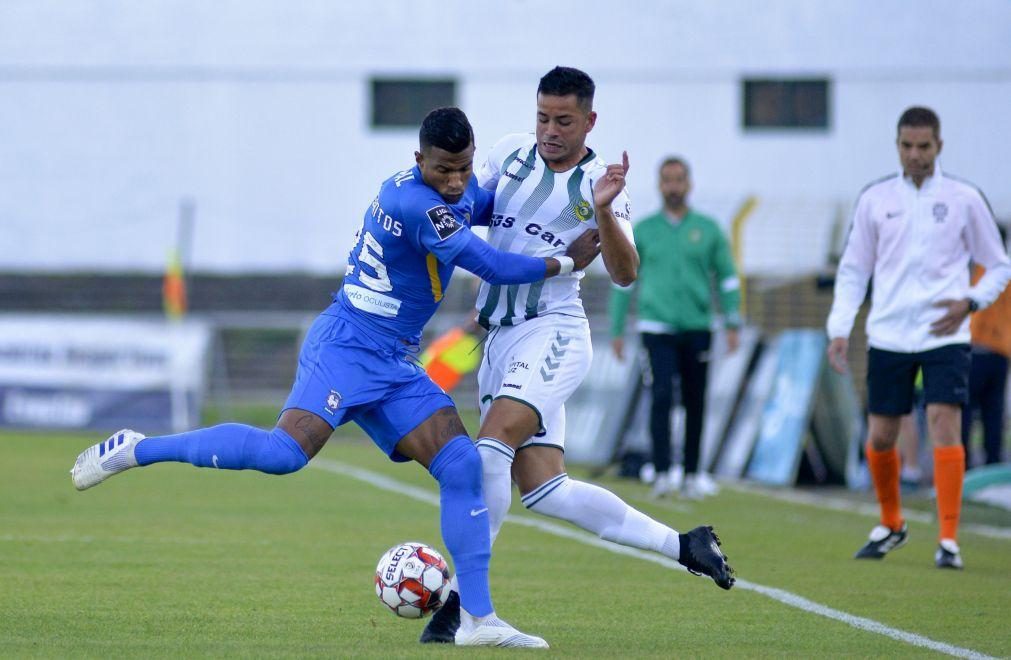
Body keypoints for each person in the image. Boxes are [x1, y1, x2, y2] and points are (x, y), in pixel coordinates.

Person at [69, 107, 602, 649]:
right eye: (444, 169)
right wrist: (565, 260)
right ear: (418, 161)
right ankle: (138, 448)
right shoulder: (419, 205)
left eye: (464, 168)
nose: (456, 181)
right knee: (284, 455)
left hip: (393, 360)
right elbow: (491, 264)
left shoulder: (452, 191)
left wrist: (576, 195)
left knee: (462, 463)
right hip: (347, 347)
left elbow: (492, 205)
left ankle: (477, 621)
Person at [420, 67, 734, 645]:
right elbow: (469, 208)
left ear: (589, 121)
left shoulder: (599, 184)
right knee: (544, 488)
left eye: (563, 120)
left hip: (554, 332)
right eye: (543, 117)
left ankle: (467, 613)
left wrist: (606, 213)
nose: (549, 130)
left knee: (489, 451)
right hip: (498, 337)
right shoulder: (509, 154)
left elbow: (625, 273)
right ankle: (685, 545)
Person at [826, 106, 1011, 569]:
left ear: (939, 146)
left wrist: (969, 301)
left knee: (945, 421)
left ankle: (948, 540)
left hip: (945, 333)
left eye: (924, 146)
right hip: (888, 333)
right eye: (907, 146)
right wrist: (839, 328)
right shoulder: (875, 199)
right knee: (882, 435)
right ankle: (892, 523)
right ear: (897, 146)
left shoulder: (965, 198)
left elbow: (1000, 264)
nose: (915, 154)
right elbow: (853, 270)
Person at [609, 156, 741, 499]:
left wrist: (732, 320)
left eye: (679, 179)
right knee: (662, 396)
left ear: (689, 183)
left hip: (698, 326)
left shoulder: (708, 229)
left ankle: (695, 472)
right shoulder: (645, 230)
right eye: (667, 180)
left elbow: (727, 279)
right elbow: (624, 281)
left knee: (696, 400)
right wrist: (617, 329)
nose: (673, 186)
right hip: (656, 327)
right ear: (659, 184)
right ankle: (664, 471)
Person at [961, 228, 1011, 466]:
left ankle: (966, 464)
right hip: (1001, 351)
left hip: (978, 347)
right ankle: (992, 462)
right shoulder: (1006, 270)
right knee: (993, 412)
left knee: (966, 409)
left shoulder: (979, 268)